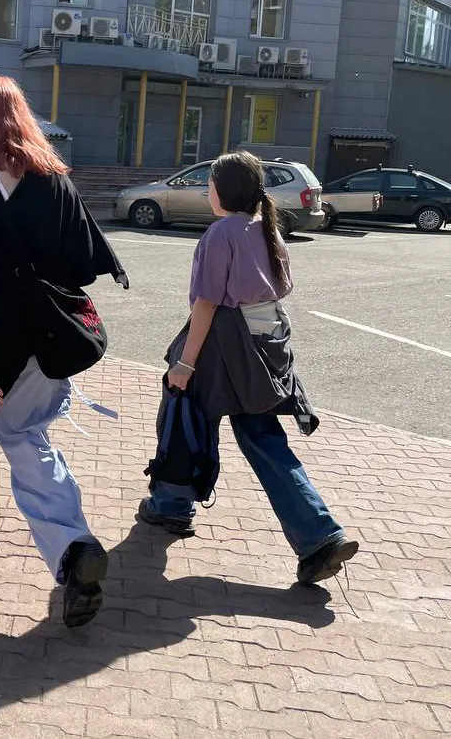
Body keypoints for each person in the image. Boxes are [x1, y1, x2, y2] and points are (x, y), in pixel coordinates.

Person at [0, 75, 128, 628]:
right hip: (46, 346)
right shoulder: (58, 182)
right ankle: (73, 548)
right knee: (30, 443)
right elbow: (82, 264)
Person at [139, 151, 359, 585]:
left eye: (210, 183)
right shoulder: (267, 227)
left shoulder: (221, 233)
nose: (207, 190)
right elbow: (281, 288)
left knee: (183, 410)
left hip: (226, 341)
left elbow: (207, 304)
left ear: (221, 191)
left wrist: (185, 362)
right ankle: (319, 535)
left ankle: (171, 505)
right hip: (267, 339)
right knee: (262, 435)